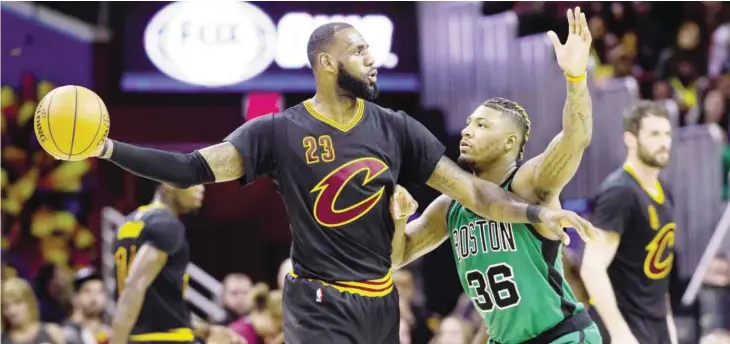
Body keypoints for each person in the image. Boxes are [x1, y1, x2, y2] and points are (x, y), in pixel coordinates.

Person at [71, 21, 595, 344]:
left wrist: (535, 213)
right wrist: (106, 148)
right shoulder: (276, 131)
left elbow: (477, 194)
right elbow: (191, 169)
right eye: (359, 50)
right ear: (326, 62)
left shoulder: (396, 127)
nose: (372, 59)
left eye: (372, 51)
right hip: (318, 301)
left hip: (381, 301)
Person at [390, 8, 602, 343]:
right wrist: (400, 217)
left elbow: (575, 138)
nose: (467, 131)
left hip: (559, 336)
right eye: (468, 122)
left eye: (482, 124)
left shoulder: (529, 183)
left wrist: (576, 79)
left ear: (510, 141)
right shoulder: (451, 206)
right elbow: (397, 257)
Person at [580, 101, 677, 344]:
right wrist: (619, 332)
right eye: (654, 134)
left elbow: (658, 275)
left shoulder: (664, 190)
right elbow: (591, 267)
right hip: (626, 323)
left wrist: (669, 327)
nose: (664, 141)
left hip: (655, 325)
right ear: (631, 139)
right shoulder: (620, 192)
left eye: (667, 133)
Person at [109, 184, 241, 344]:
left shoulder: (127, 223)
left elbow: (158, 302)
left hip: (139, 336)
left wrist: (204, 330)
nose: (202, 188)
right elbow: (134, 285)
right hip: (164, 338)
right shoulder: (167, 224)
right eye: (194, 181)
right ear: (168, 185)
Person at [1, 277, 66, 344]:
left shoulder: (52, 332)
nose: (12, 311)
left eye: (17, 302)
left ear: (29, 302)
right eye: (6, 306)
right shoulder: (2, 339)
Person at [62, 268, 111, 344]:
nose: (94, 296)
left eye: (100, 291)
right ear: (75, 297)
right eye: (87, 291)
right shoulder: (65, 334)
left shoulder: (108, 334)